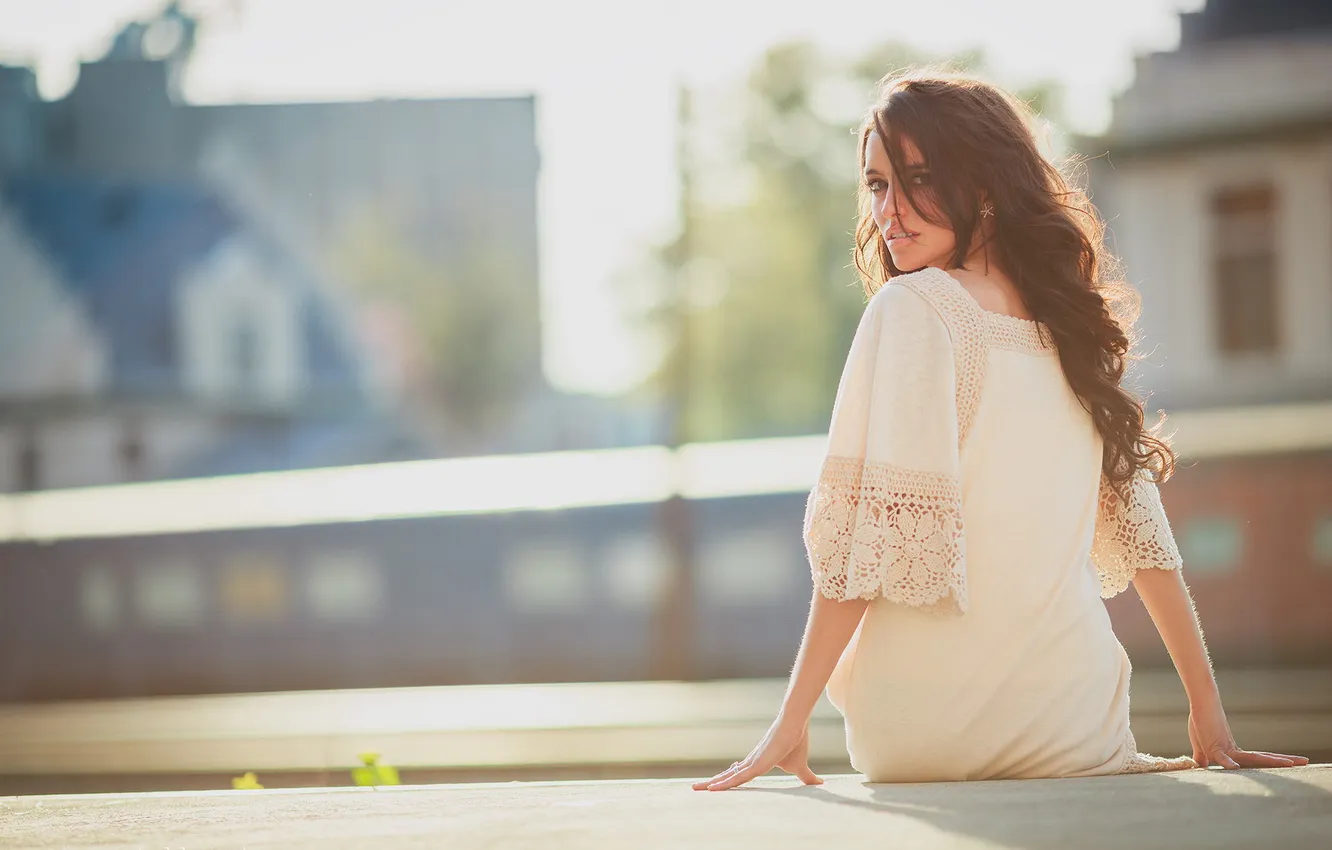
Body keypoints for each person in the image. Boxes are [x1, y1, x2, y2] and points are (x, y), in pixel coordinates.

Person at [692, 70, 1309, 791]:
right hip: (1078, 731)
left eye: (918, 178)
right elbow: (1150, 546)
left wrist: (790, 722)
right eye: (877, 185)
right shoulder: (1076, 329)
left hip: (925, 735)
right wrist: (1209, 716)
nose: (890, 211)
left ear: (985, 185)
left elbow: (864, 549)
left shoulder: (914, 309)